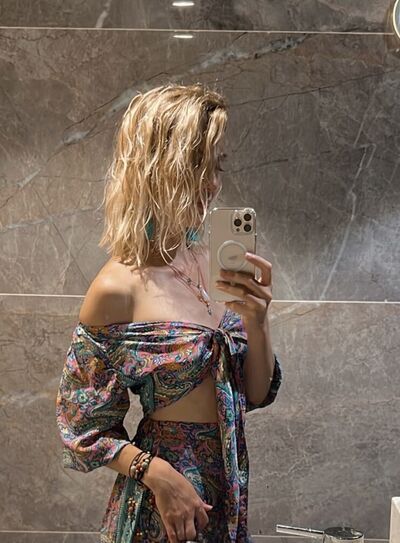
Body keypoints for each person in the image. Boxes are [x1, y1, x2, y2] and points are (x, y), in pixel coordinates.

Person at [55, 82, 282, 543]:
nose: (213, 183)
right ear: (160, 169)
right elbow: (81, 423)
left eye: (217, 166)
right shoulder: (117, 286)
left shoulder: (210, 262)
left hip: (226, 492)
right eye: (200, 166)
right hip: (163, 510)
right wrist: (157, 474)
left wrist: (258, 323)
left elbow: (255, 394)